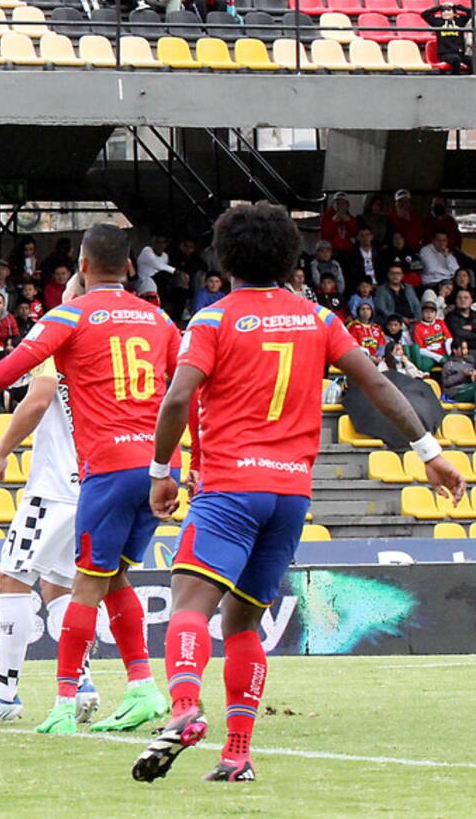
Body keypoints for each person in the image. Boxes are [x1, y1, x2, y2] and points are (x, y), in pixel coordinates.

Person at [133, 202, 463, 783]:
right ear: (291, 260)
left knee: (188, 605)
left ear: (225, 257)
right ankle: (237, 754)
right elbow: (377, 383)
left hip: (232, 487)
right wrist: (430, 454)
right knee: (242, 624)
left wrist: (161, 468)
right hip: (290, 496)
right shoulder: (318, 320)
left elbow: (179, 398)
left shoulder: (212, 320)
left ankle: (185, 708)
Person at [0, 223, 178, 737]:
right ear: (129, 266)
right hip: (153, 470)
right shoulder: (159, 320)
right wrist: (182, 464)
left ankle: (35, 695)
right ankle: (141, 685)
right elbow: (183, 391)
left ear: (80, 266)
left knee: (35, 579)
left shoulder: (69, 320)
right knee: (106, 580)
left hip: (84, 478)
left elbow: (21, 377)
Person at [0, 359, 99, 728]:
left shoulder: (57, 347)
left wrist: (1, 451)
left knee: (11, 579)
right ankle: (81, 682)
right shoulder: (102, 344)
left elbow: (39, 400)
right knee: (62, 587)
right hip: (94, 485)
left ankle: (4, 692)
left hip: (54, 490)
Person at [422, 2, 473, 74]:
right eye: (443, 11)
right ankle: (455, 79)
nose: (445, 13)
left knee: (472, 60)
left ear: (454, 13)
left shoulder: (460, 21)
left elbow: (471, 12)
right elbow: (424, 14)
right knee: (455, 59)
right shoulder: (438, 22)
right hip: (445, 54)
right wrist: (439, 7)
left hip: (459, 54)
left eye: (448, 10)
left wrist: (455, 6)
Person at [413, 300, 452, 367]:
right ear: (422, 313)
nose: (429, 314)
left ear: (436, 313)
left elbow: (449, 339)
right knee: (425, 365)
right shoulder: (418, 327)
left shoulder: (440, 322)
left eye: (432, 312)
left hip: (443, 353)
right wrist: (436, 357)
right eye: (426, 311)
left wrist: (449, 353)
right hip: (428, 355)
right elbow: (420, 349)